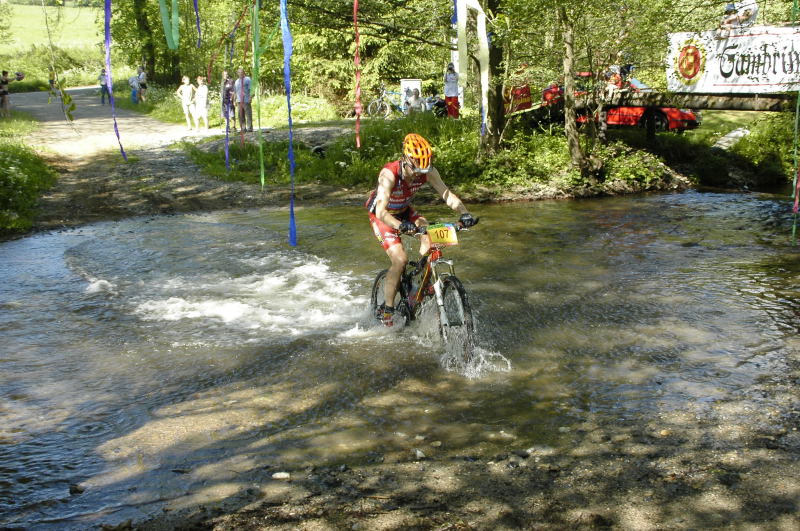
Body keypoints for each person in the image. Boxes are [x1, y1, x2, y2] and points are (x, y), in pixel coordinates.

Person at [365, 133, 476, 326]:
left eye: (422, 170)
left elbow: (446, 194)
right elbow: (381, 211)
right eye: (415, 169)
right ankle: (388, 309)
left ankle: (421, 281)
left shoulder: (427, 171)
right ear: (406, 159)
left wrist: (464, 213)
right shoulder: (389, 174)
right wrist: (400, 226)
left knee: (429, 234)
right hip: (382, 216)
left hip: (405, 211)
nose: (418, 174)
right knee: (400, 260)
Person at [234, 67, 253, 132]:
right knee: (240, 115)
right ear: (237, 73)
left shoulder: (247, 79)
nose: (240, 73)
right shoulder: (236, 81)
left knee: (248, 114)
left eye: (242, 72)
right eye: (239, 72)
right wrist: (234, 100)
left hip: (246, 100)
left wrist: (250, 97)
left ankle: (249, 128)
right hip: (239, 101)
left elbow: (251, 89)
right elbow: (236, 92)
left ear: (244, 72)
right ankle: (243, 128)